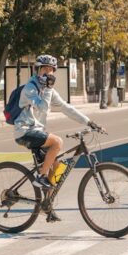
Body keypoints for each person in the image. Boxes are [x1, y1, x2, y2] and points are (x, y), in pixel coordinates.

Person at [14, 54, 102, 223]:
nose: (49, 73)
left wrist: (89, 122)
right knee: (57, 142)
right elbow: (42, 107)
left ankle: (47, 206)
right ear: (37, 70)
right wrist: (47, 89)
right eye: (45, 69)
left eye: (51, 70)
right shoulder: (30, 88)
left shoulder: (49, 90)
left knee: (57, 168)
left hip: (37, 132)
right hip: (24, 132)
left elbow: (66, 108)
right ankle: (40, 178)